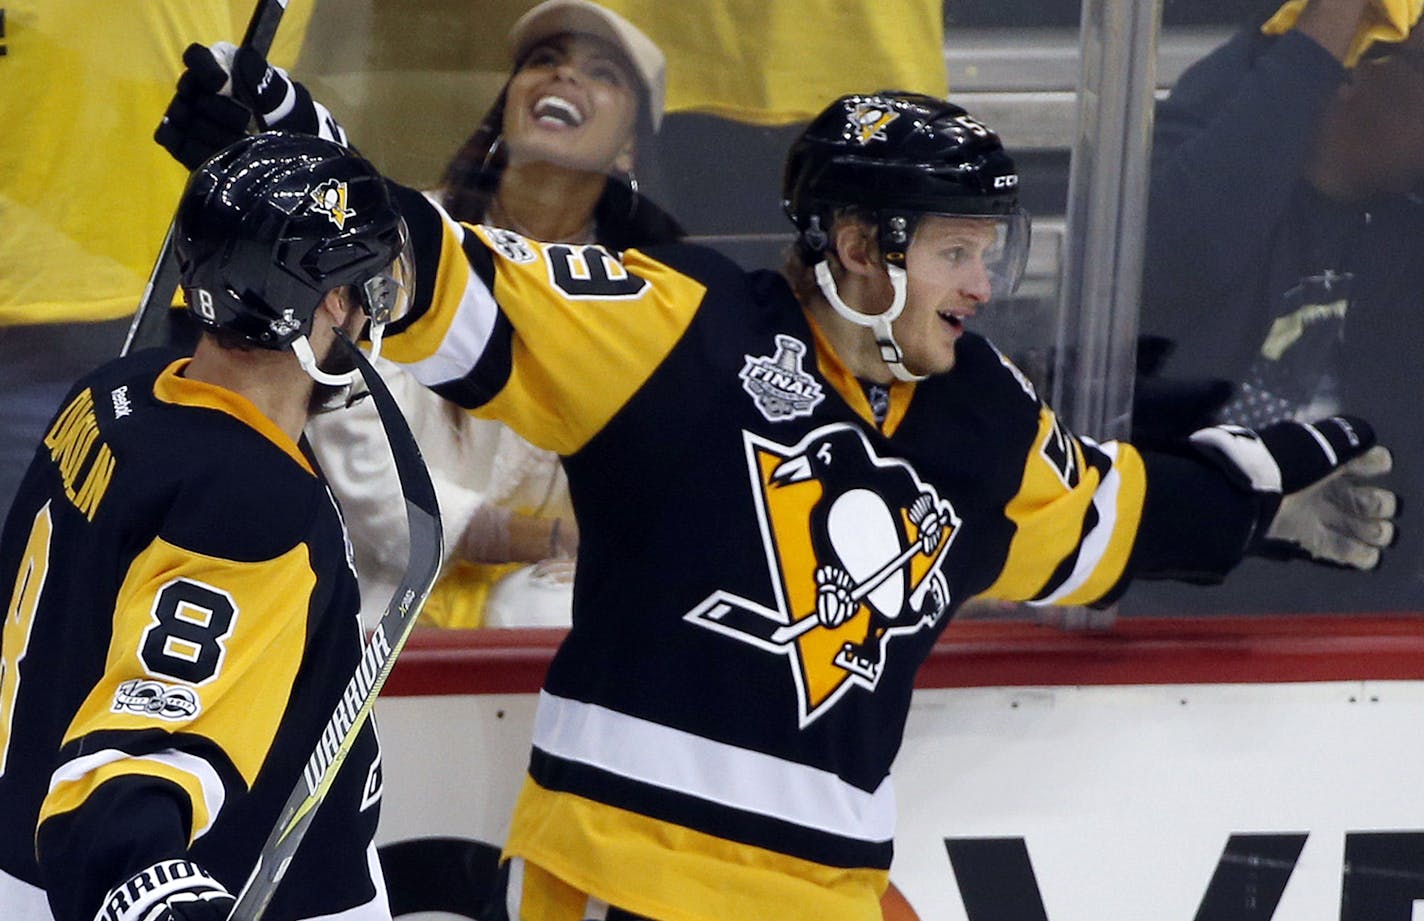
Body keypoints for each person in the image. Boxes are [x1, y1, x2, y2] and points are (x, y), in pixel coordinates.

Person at [165, 82, 1398, 918]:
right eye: (955, 249)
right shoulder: (681, 334)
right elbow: (447, 276)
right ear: (860, 246)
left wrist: (1256, 507)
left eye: (990, 251)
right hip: (629, 877)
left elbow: (1093, 523)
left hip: (827, 893)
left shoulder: (977, 417)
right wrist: (297, 159)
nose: (982, 283)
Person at [0, 132, 415, 921]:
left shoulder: (116, 390)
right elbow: (140, 756)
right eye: (364, 286)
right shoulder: (253, 501)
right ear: (331, 301)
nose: (370, 308)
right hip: (235, 889)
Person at [162, 0, 683, 628]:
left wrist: (578, 553)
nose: (563, 77)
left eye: (603, 73)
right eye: (542, 61)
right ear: (507, 101)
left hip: (547, 607)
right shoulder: (400, 244)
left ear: (630, 148)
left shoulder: (646, 296)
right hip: (369, 596)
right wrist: (547, 539)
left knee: (550, 608)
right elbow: (368, 479)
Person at [1129, 0, 1424, 614]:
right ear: (1347, 74)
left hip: (1363, 641)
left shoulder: (1406, 219)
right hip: (1163, 626)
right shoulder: (1211, 172)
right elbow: (1176, 255)